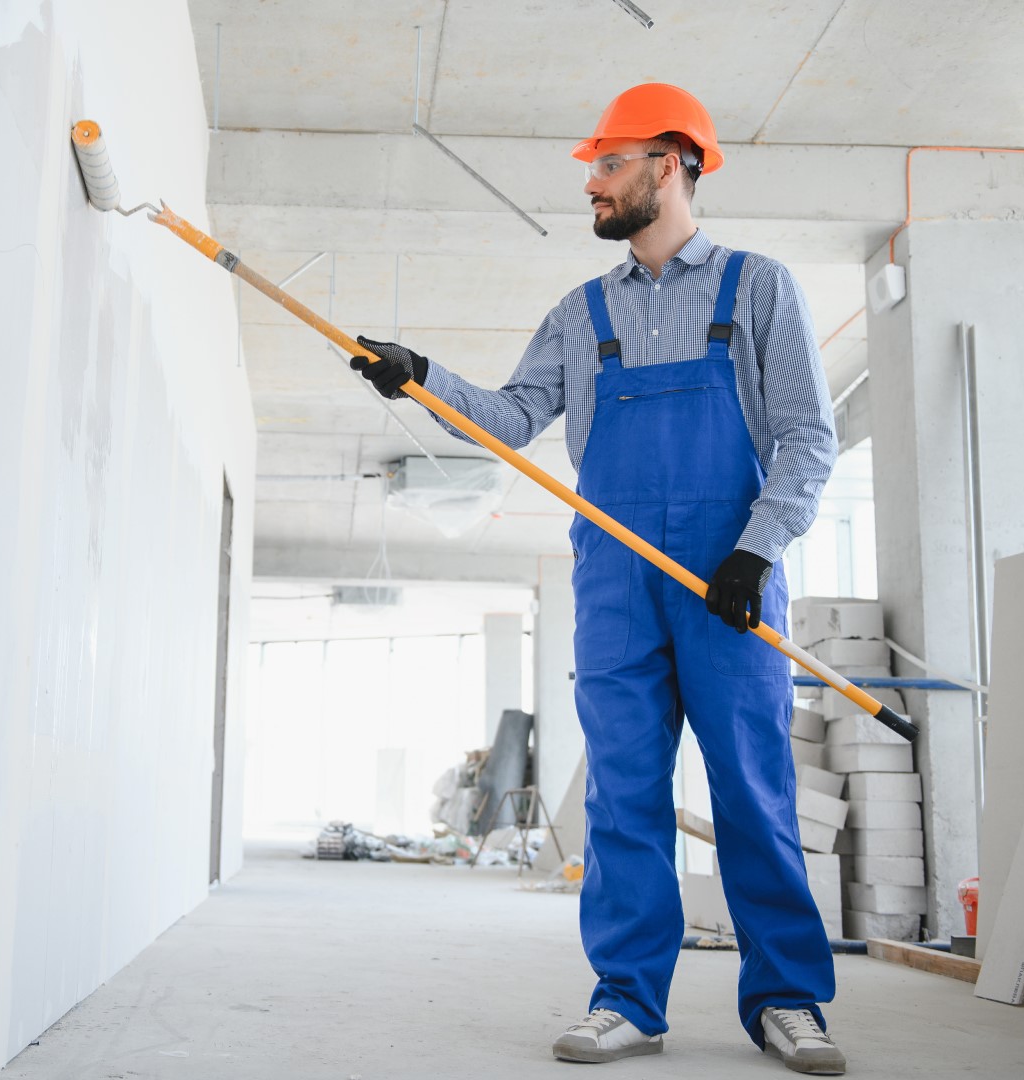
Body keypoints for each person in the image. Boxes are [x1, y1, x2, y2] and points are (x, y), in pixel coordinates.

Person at [351, 83, 844, 1075]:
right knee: (623, 797)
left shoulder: (758, 288)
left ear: (671, 163)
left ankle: (788, 999)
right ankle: (628, 1000)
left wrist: (754, 551)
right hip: (616, 582)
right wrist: (420, 375)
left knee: (752, 793)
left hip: (726, 581)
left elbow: (805, 439)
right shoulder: (582, 315)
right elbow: (511, 418)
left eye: (609, 162)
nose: (592, 180)